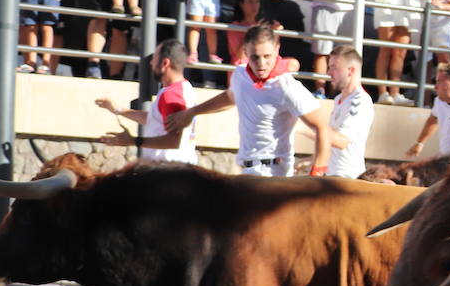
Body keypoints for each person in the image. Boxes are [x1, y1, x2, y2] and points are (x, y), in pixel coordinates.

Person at [167, 24, 331, 177]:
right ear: (245, 52)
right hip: (246, 170)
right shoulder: (240, 75)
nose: (261, 64)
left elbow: (322, 128)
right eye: (255, 57)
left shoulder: (287, 86)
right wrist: (192, 112)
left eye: (267, 56)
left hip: (274, 173)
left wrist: (317, 174)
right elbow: (230, 97)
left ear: (277, 49)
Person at [95, 38, 197, 164]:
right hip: (174, 169)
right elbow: (155, 119)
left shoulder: (172, 95)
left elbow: (174, 141)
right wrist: (118, 110)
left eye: (154, 58)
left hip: (169, 170)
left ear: (165, 63)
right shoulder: (183, 88)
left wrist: (133, 141)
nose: (151, 63)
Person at [324, 44, 374, 179]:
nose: (329, 73)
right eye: (329, 67)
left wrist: (303, 127)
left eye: (333, 68)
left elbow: (341, 141)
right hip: (332, 175)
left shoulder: (361, 100)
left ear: (350, 70)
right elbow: (332, 142)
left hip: (347, 177)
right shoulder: (339, 99)